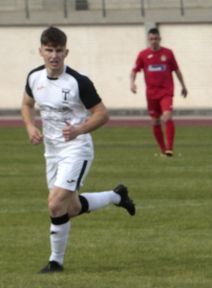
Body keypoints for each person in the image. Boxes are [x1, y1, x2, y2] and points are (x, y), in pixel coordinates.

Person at [22, 26, 136, 274]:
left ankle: (56, 262)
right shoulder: (34, 77)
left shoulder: (78, 82)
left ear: (66, 52)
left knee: (55, 205)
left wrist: (79, 130)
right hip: (51, 151)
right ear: (40, 51)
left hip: (76, 149)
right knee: (70, 208)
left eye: (59, 51)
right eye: (49, 50)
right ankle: (117, 196)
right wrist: (30, 125)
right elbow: (26, 104)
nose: (54, 55)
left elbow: (102, 114)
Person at [130, 27, 187, 156]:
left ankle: (169, 148)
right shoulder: (143, 55)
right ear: (148, 40)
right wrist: (132, 83)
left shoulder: (168, 53)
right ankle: (162, 150)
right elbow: (134, 71)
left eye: (156, 38)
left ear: (160, 39)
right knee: (155, 121)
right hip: (151, 94)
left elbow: (177, 70)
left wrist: (183, 86)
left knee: (167, 116)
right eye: (151, 39)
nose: (154, 41)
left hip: (166, 92)